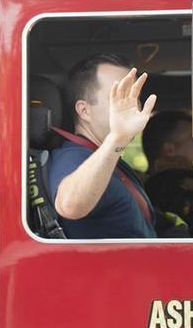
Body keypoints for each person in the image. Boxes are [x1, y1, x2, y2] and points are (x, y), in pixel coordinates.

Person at [46, 53, 157, 238]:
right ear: (84, 110)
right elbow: (69, 205)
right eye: (118, 96)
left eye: (133, 95)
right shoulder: (73, 157)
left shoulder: (104, 156)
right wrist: (118, 138)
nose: (133, 105)